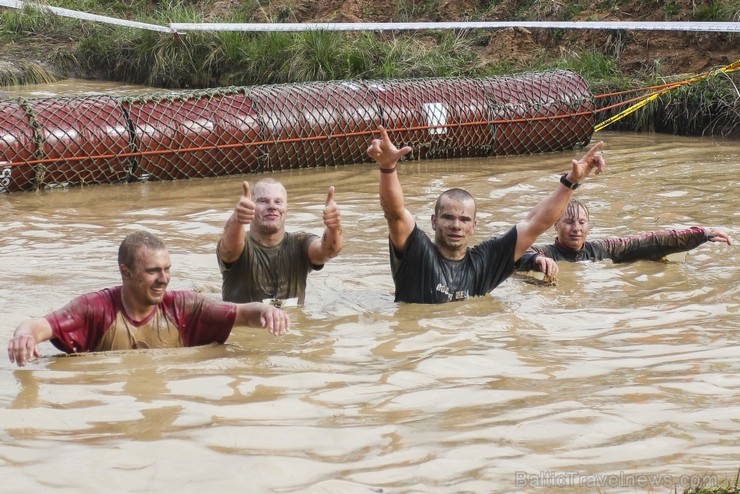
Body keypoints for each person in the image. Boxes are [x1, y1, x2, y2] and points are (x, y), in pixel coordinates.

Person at [365, 125, 606, 304]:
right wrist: (387, 168)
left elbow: (536, 223)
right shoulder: (416, 252)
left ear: (474, 226)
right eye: (448, 218)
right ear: (434, 221)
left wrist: (571, 181)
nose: (456, 226)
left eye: (464, 219)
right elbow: (395, 213)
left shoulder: (486, 261)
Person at [7, 231, 290, 368]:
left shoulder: (184, 306)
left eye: (167, 270)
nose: (164, 279)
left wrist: (266, 312)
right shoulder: (95, 308)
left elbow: (243, 314)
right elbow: (38, 326)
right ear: (125, 272)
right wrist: (24, 336)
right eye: (153, 271)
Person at [517, 198, 733, 277]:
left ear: (589, 226)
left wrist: (701, 234)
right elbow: (517, 254)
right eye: (569, 222)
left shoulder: (602, 249)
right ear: (556, 225)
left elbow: (647, 241)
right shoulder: (545, 252)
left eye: (582, 222)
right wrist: (537, 260)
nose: (576, 228)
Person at [217, 178, 343, 306]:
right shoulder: (240, 244)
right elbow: (228, 249)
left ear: (286, 209)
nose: (272, 206)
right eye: (263, 201)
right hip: (244, 322)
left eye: (278, 201)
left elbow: (328, 252)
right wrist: (237, 218)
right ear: (250, 206)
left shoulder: (300, 243)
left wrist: (334, 227)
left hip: (291, 322)